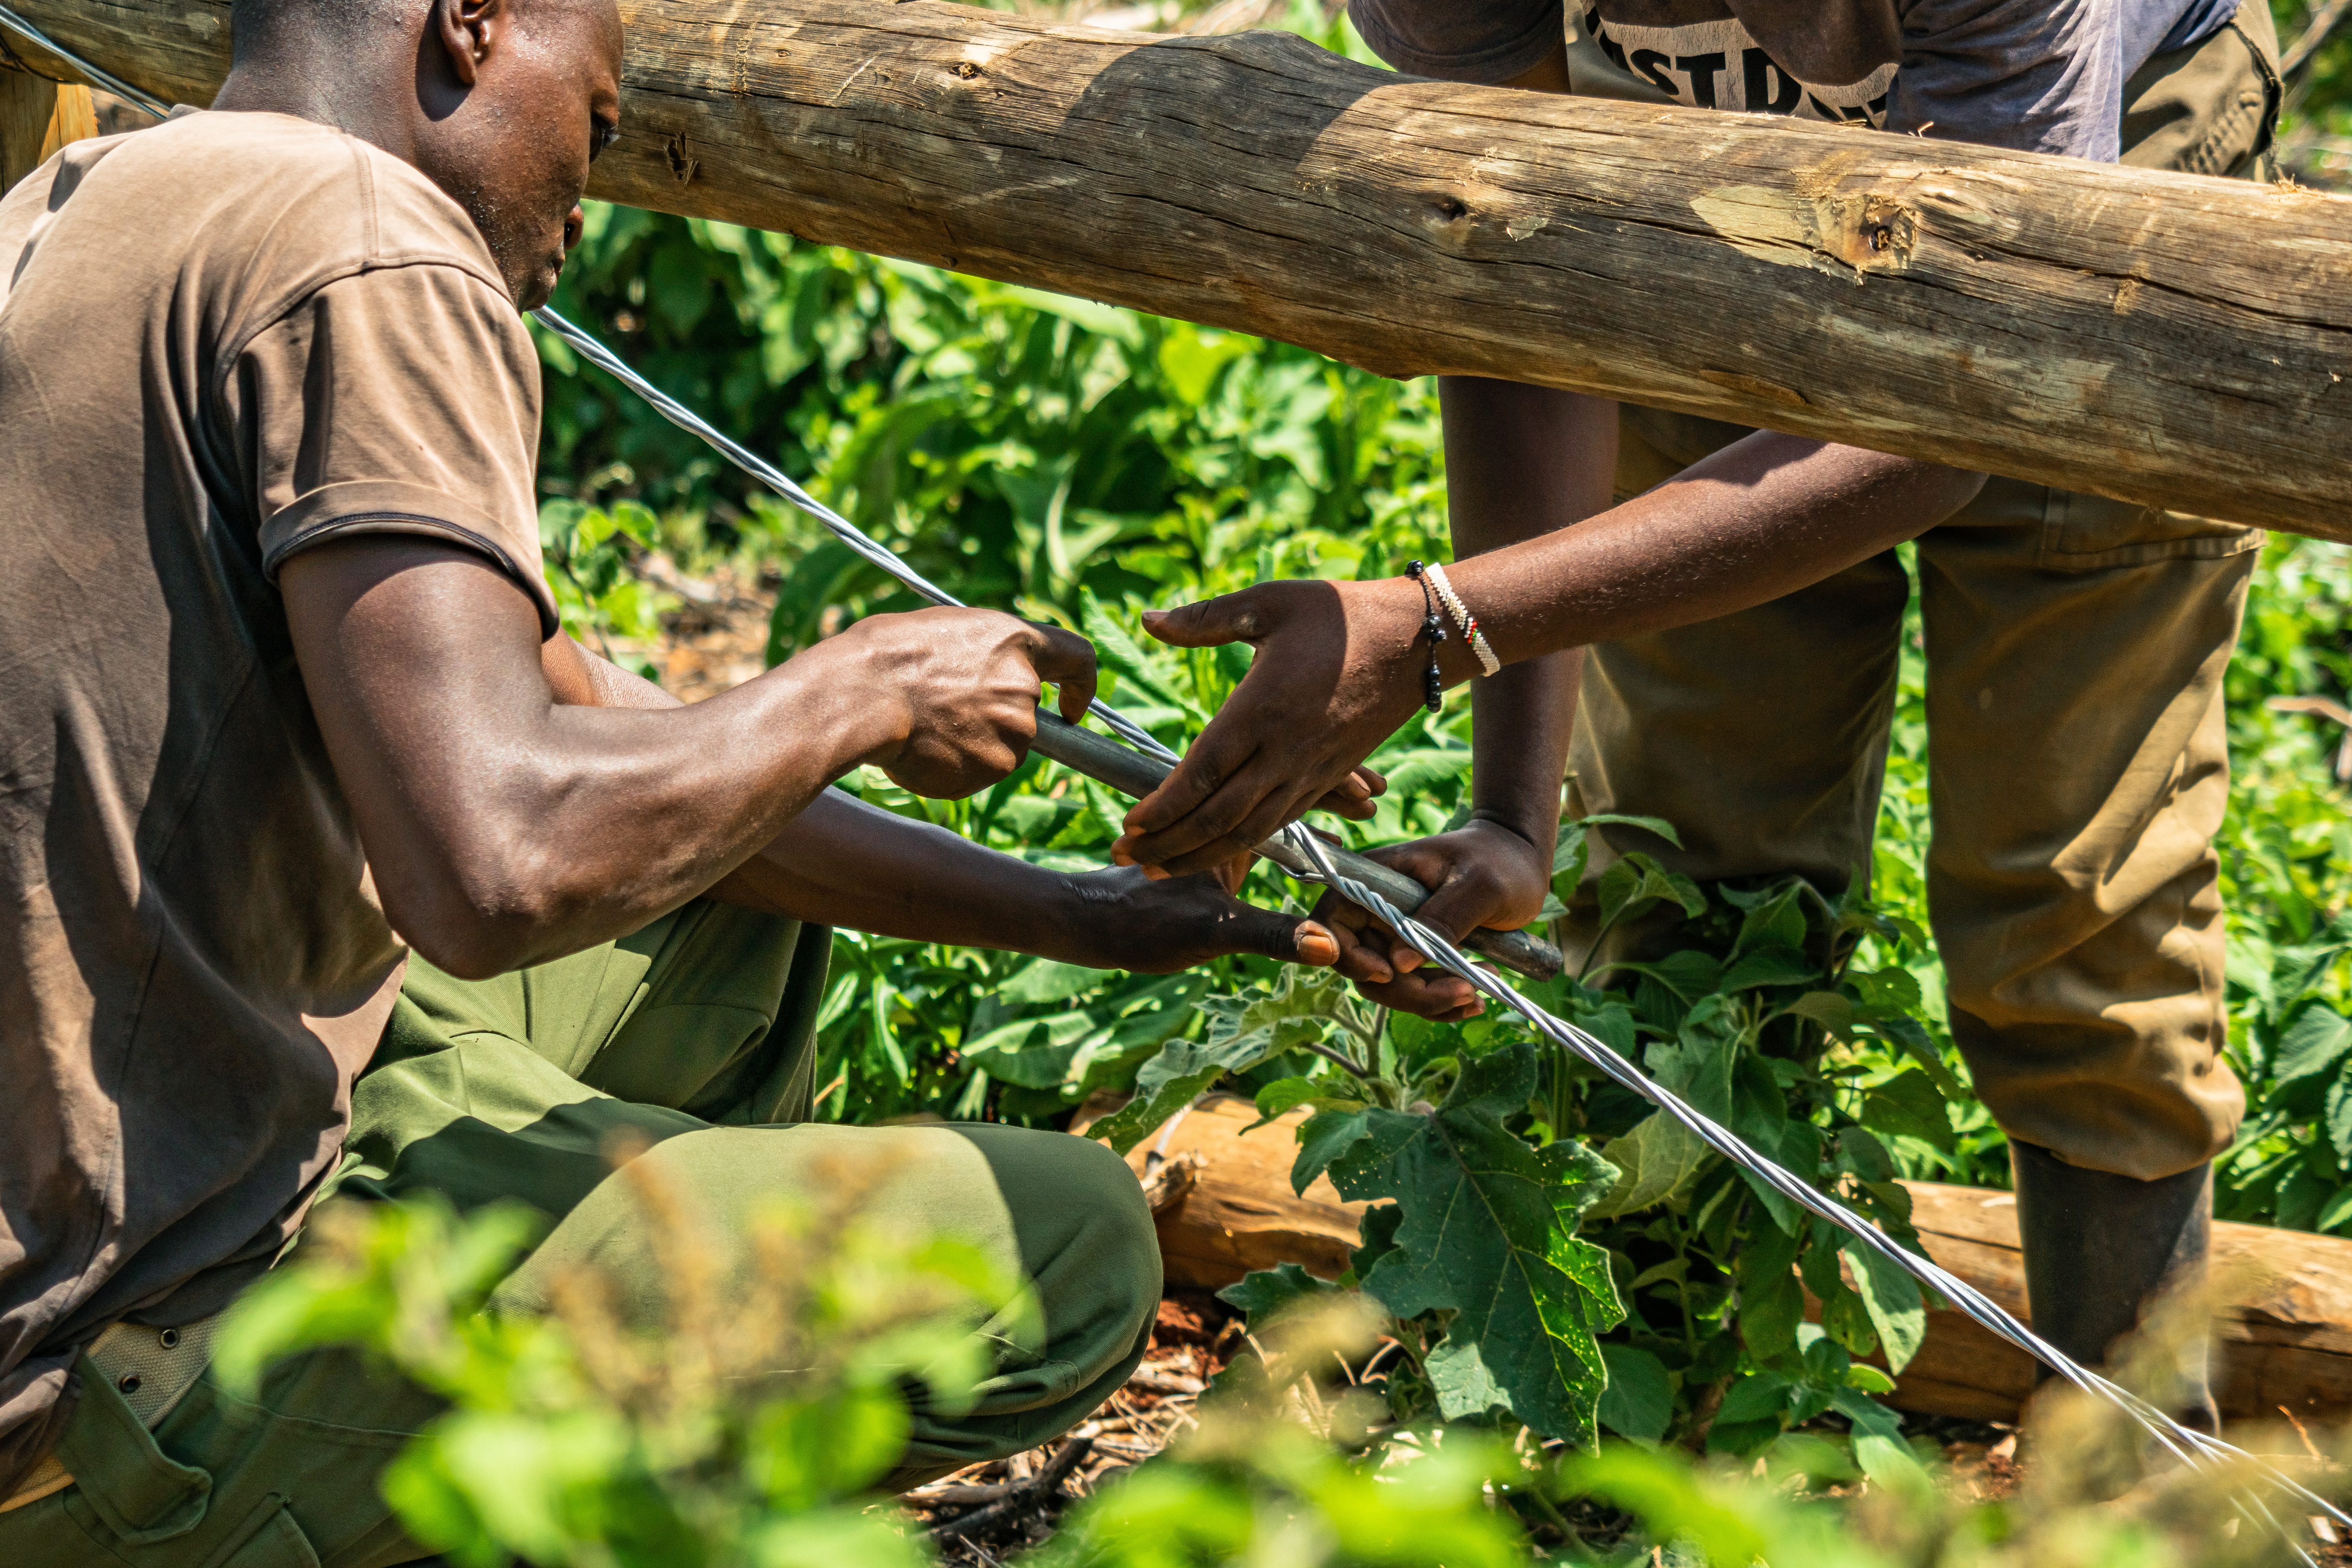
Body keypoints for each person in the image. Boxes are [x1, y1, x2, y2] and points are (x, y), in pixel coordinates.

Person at [0, 0, 1346, 1556]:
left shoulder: (74, 206)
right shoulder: (367, 241)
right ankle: (443, 1467)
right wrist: (865, 683)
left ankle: (548, 1286)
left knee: (722, 866)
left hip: (107, 1141)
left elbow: (588, 727)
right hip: (101, 1385)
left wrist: (1100, 915)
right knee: (1072, 1255)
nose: (593, 191)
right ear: (472, 22)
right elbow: (498, 862)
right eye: (600, 117)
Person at [1115, 0, 2283, 1426]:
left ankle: (2139, 1481)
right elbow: (1507, 251)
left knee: (2072, 889)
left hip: (2102, 177)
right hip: (1692, 185)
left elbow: (1938, 429)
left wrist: (1442, 625)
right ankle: (1666, 1448)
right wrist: (1505, 805)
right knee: (1686, 855)